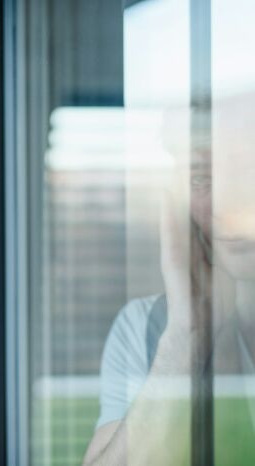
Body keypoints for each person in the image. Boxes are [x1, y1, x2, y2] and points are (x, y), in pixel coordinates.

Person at [83, 96, 255, 464]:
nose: (226, 204)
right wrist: (184, 339)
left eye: (248, 170)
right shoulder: (146, 329)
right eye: (200, 178)